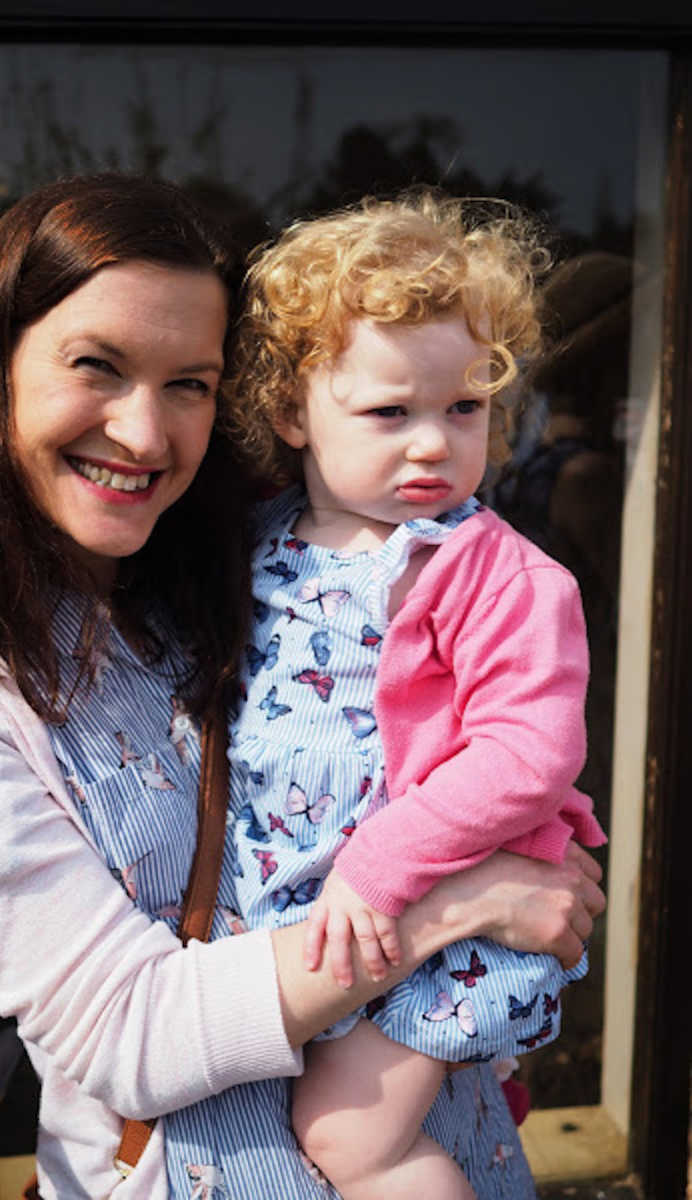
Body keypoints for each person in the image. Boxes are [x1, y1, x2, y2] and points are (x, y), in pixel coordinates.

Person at [0, 174, 605, 1200]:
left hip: (441, 1148)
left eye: (189, 383)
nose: (145, 434)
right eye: (96, 366)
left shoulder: (229, 565)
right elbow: (133, 1031)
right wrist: (460, 904)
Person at [221, 194, 606, 1200]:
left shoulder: (500, 575)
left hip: (428, 923)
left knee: (353, 1140)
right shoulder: (258, 545)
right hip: (302, 920)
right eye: (391, 412)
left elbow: (527, 756)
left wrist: (380, 871)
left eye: (463, 409)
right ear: (290, 412)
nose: (433, 444)